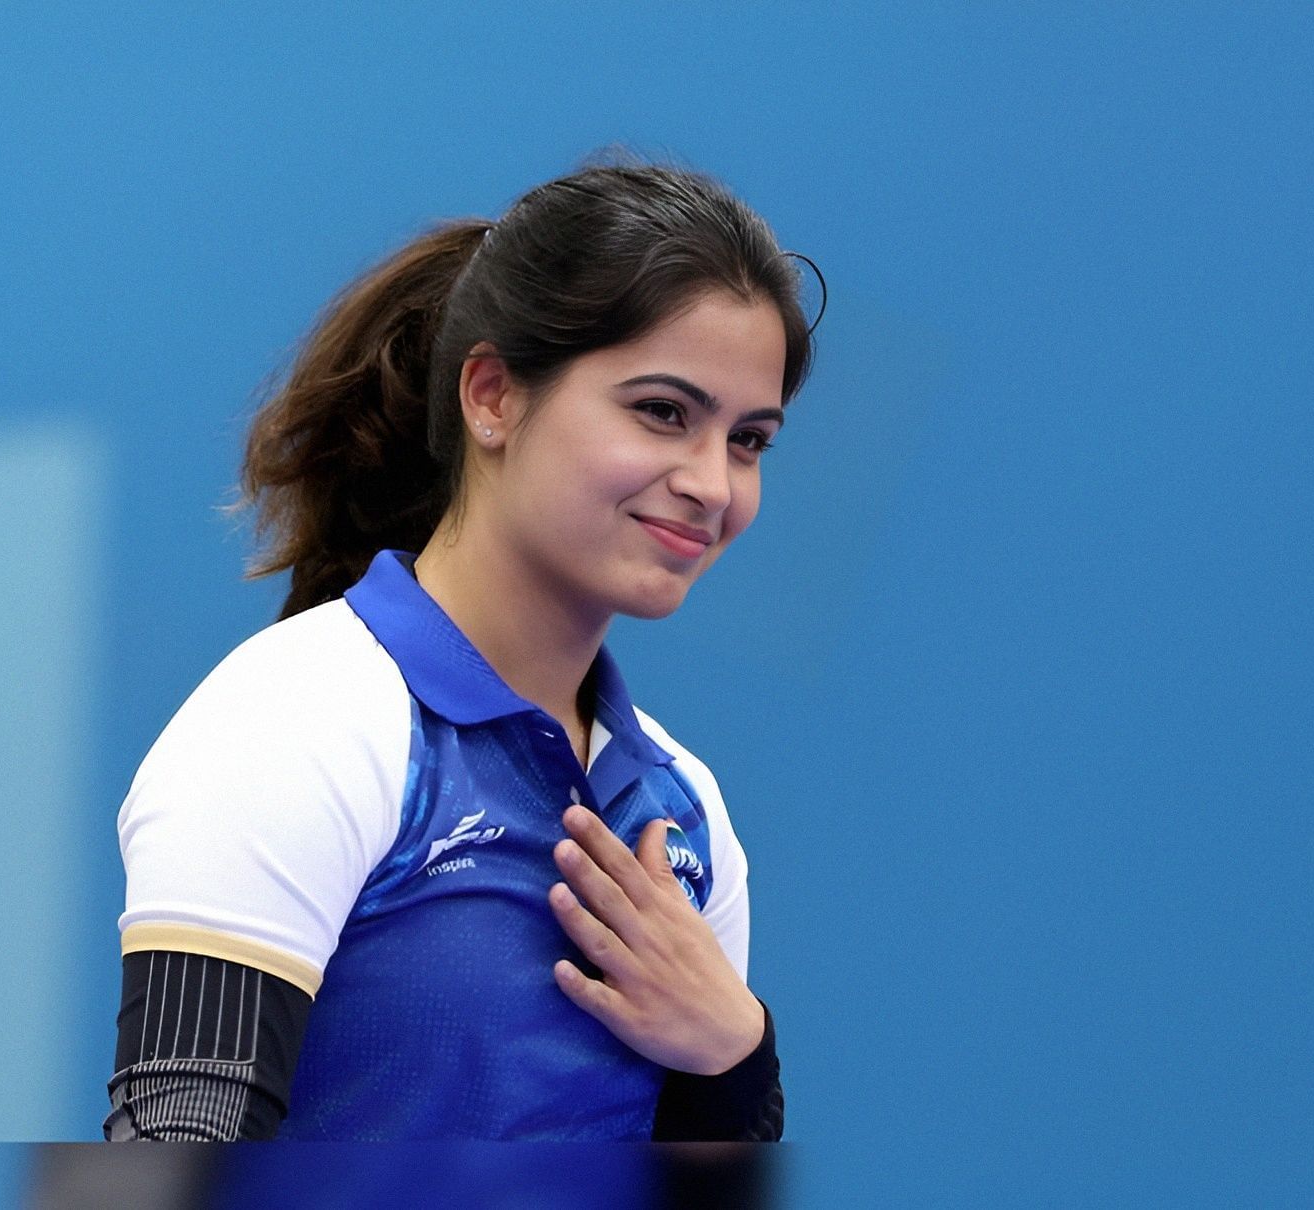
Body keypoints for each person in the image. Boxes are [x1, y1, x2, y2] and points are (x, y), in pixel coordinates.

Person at [104, 159, 818, 1142]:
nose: (710, 482)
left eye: (748, 440)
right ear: (491, 395)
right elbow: (171, 1148)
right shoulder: (288, 722)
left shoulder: (684, 807)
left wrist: (734, 1055)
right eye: (662, 411)